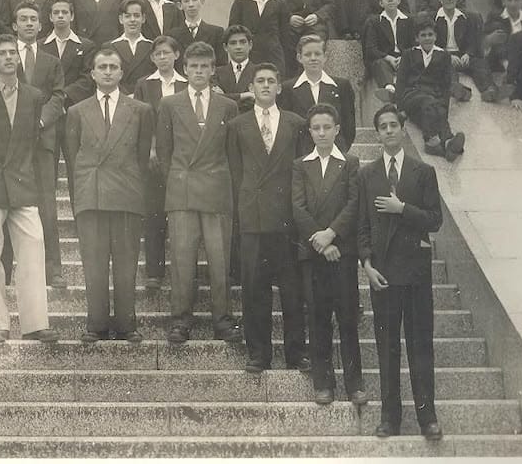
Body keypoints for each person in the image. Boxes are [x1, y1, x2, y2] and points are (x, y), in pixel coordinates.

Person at [358, 104, 443, 441]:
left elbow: (435, 220)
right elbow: (362, 226)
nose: (389, 131)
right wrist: (366, 264)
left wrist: (402, 209)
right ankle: (389, 417)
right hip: (384, 274)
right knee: (387, 346)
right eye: (383, 126)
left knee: (420, 345)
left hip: (416, 273)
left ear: (403, 129)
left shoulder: (423, 172)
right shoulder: (367, 175)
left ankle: (428, 418)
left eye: (394, 125)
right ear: (377, 133)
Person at [0, 35, 58, 344]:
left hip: (22, 183)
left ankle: (34, 323)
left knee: (32, 248)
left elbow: (31, 139)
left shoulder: (34, 96)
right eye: (2, 53)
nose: (8, 57)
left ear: (18, 59)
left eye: (12, 53)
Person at [64, 46, 154, 343]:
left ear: (121, 72)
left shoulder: (140, 110)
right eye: (101, 67)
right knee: (94, 261)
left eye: (112, 67)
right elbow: (74, 155)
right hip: (92, 195)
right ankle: (97, 324)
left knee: (126, 263)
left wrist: (132, 187)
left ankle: (127, 324)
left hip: (126, 194)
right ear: (92, 73)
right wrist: (82, 196)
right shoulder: (77, 111)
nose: (107, 72)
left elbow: (142, 158)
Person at [226, 63, 308, 373]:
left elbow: (301, 172)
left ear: (279, 88)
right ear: (251, 86)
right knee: (253, 289)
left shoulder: (295, 123)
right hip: (253, 218)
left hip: (286, 218)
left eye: (271, 81)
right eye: (259, 80)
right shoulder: (237, 125)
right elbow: (235, 173)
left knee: (292, 290)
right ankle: (258, 353)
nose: (265, 85)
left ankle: (296, 352)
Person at [157, 41, 241, 344]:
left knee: (220, 260)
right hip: (183, 189)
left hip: (216, 189)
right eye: (194, 66)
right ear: (185, 68)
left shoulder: (227, 106)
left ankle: (223, 319)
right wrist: (180, 177)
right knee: (182, 259)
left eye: (205, 66)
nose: (199, 72)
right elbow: (164, 152)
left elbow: (232, 153)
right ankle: (180, 321)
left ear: (212, 69)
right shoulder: (169, 104)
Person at [291, 103, 366, 407]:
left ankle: (355, 383)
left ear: (337, 129)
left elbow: (353, 203)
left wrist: (332, 234)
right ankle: (323, 382)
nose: (321, 133)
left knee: (347, 318)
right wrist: (321, 241)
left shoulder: (350, 163)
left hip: (342, 254)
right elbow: (298, 207)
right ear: (310, 132)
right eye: (316, 128)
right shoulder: (300, 165)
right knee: (318, 318)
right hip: (315, 253)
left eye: (327, 127)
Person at [6, 1, 67, 289]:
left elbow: (58, 97)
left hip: (42, 141)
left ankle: (53, 268)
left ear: (41, 26)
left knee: (46, 205)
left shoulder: (51, 61)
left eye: (33, 19)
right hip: (11, 143)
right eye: (23, 19)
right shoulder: (4, 57)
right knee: (6, 202)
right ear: (15, 25)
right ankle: (5, 267)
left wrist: (40, 122)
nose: (29, 23)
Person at [134, 35, 185, 291]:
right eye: (158, 54)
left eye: (167, 52)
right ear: (152, 58)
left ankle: (182, 272)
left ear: (176, 55)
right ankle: (154, 271)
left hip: (183, 157)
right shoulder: (144, 84)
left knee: (181, 216)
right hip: (154, 158)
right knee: (154, 214)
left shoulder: (186, 83)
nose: (162, 57)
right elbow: (142, 119)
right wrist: (152, 147)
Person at [40, 0, 96, 199]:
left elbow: (88, 78)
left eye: (65, 12)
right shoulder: (40, 46)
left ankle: (81, 223)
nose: (61, 16)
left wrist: (63, 99)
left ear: (72, 16)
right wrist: (53, 105)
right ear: (50, 17)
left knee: (76, 170)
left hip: (73, 113)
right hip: (47, 117)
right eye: (56, 13)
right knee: (46, 175)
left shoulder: (86, 46)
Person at [394, 19, 466, 160]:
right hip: (412, 95)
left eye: (430, 34)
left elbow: (446, 85)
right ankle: (431, 138)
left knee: (435, 110)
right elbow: (401, 82)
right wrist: (400, 108)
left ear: (435, 36)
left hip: (432, 97)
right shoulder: (409, 54)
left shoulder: (444, 55)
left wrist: (444, 108)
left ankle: (445, 144)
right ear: (417, 38)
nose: (427, 38)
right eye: (423, 35)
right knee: (429, 103)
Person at [279, 35, 356, 155]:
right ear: (299, 58)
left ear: (325, 57)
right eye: (308, 54)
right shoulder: (288, 88)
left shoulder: (341, 86)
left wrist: (340, 149)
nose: (313, 58)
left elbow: (349, 125)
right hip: (301, 155)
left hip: (334, 152)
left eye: (317, 54)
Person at [434, 0, 508, 103]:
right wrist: (447, 56)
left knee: (480, 64)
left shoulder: (469, 17)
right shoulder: (433, 18)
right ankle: (458, 90)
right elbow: (432, 43)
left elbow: (474, 40)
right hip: (444, 55)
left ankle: (490, 90)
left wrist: (468, 54)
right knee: (445, 68)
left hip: (464, 54)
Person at [229, 0, 289, 76]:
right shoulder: (241, 1)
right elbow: (233, 31)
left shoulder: (280, 3)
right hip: (249, 57)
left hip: (273, 57)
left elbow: (285, 37)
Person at [363, 0, 415, 103]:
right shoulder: (374, 21)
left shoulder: (408, 20)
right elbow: (371, 48)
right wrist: (388, 58)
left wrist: (404, 58)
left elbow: (413, 45)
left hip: (404, 58)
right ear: (381, 3)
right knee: (379, 63)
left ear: (399, 0)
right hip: (384, 59)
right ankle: (389, 89)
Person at [167, 0, 226, 70]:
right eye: (186, 1)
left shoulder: (216, 32)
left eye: (194, 0)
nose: (191, 4)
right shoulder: (172, 35)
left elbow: (221, 66)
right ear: (180, 6)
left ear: (202, 2)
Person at [110, 0, 155, 96]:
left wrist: (138, 95)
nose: (132, 20)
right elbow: (109, 77)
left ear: (143, 18)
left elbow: (154, 78)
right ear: (121, 19)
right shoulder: (110, 47)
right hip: (119, 99)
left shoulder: (152, 46)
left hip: (145, 99)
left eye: (136, 16)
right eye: (128, 16)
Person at [483, 0, 522, 74]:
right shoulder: (496, 17)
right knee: (498, 31)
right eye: (509, 0)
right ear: (503, 1)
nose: (513, 4)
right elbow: (486, 39)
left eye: (517, 0)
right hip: (501, 61)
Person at [213, 24, 256, 113]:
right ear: (225, 47)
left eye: (242, 42)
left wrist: (225, 96)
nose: (238, 47)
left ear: (250, 45)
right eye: (233, 43)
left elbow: (256, 101)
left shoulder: (259, 71)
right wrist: (244, 95)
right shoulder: (216, 73)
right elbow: (214, 99)